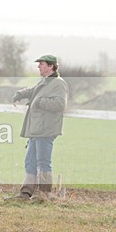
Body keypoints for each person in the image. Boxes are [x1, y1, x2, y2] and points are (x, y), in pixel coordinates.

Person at [9, 54, 68, 200]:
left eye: (41, 64)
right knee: (30, 161)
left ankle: (44, 194)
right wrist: (19, 94)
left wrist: (39, 101)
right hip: (36, 129)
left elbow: (60, 104)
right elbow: (32, 91)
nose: (38, 66)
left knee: (43, 162)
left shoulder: (58, 83)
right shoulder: (45, 82)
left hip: (46, 129)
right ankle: (25, 193)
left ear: (51, 66)